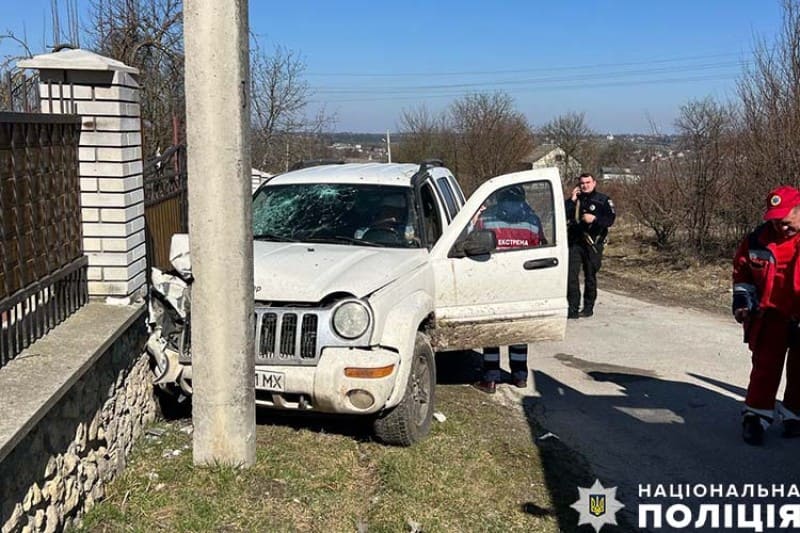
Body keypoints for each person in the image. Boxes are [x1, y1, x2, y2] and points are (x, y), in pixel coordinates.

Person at [733, 185, 800, 445]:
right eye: (775, 221)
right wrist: (741, 300)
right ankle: (756, 416)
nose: (780, 228)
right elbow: (742, 274)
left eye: (786, 222)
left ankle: (794, 415)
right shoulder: (756, 240)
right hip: (769, 317)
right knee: (764, 368)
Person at [470, 184, 546, 394]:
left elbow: (474, 245)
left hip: (493, 281)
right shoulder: (532, 220)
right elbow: (541, 247)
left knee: (493, 330)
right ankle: (519, 376)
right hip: (523, 282)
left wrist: (475, 218)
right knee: (518, 330)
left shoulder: (488, 218)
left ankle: (490, 378)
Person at [565, 173, 616, 319]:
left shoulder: (603, 200)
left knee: (590, 276)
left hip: (593, 243)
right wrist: (572, 200)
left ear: (594, 183)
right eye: (582, 183)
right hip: (575, 242)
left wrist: (595, 218)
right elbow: (562, 214)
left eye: (588, 182)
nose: (585, 185)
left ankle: (588, 308)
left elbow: (610, 219)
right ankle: (573, 308)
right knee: (571, 276)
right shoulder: (575, 200)